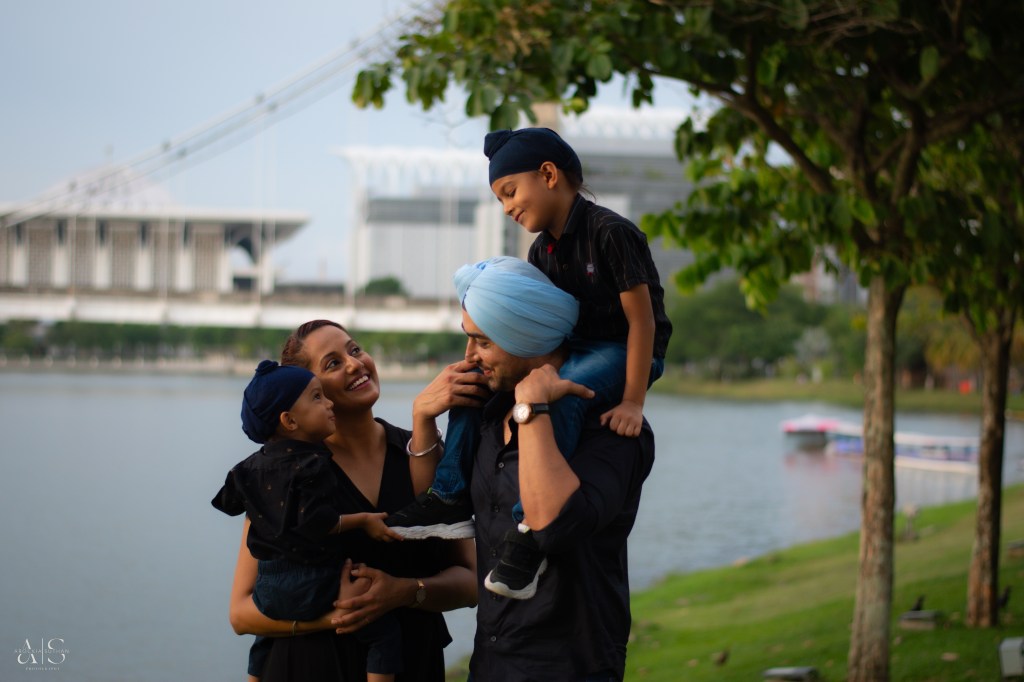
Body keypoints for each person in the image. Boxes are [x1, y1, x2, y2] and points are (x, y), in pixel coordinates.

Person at [386, 126, 670, 599]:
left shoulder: (611, 233)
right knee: (473, 382)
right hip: (575, 347)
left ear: (549, 174)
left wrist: (634, 402)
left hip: (623, 350)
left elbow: (643, 323)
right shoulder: (543, 250)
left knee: (556, 400)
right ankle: (449, 496)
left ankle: (527, 534)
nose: (508, 208)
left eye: (510, 192)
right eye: (500, 200)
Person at [419, 257, 656, 680]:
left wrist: (534, 409)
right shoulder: (490, 415)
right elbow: (440, 512)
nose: (469, 356)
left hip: (569, 666)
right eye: (467, 339)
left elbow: (551, 523)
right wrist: (423, 417)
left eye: (483, 342)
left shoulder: (612, 431)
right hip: (491, 660)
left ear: (524, 336)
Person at [226, 321, 480, 682]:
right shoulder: (283, 472)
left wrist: (404, 593)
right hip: (306, 667)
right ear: (302, 393)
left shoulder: (421, 450)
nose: (354, 364)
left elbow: (471, 581)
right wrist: (347, 615)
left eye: (355, 349)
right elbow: (241, 613)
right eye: (332, 363)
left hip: (411, 663)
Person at [213, 359, 405, 682]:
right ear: (288, 420)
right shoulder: (314, 464)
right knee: (384, 632)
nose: (328, 402)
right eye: (317, 397)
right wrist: (362, 521)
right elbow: (318, 522)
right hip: (314, 582)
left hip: (269, 589)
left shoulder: (247, 469)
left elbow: (227, 502)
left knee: (266, 639)